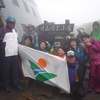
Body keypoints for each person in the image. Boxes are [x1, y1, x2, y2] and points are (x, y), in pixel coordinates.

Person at [0, 16, 23, 93]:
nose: (11, 24)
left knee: (15, 70)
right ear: (7, 22)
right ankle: (5, 85)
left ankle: (16, 84)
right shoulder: (3, 30)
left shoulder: (15, 31)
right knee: (5, 71)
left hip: (15, 54)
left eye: (13, 23)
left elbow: (17, 41)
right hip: (6, 55)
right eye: (10, 22)